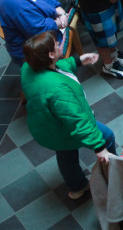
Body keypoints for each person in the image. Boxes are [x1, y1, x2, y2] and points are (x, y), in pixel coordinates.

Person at [21, 31, 113, 200]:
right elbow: (77, 120)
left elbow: (55, 68)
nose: (59, 45)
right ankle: (113, 175)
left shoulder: (28, 67)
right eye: (56, 44)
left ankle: (77, 186)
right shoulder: (58, 91)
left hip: (48, 127)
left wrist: (77, 60)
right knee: (107, 136)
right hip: (62, 129)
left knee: (65, 154)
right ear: (50, 54)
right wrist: (99, 148)